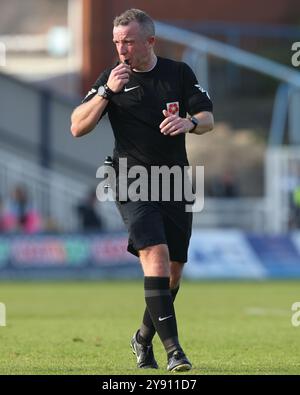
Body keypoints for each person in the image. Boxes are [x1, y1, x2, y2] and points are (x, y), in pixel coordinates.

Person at [71, 8, 214, 372]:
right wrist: (106, 92)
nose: (122, 49)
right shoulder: (111, 79)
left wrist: (190, 121)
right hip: (131, 179)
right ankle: (175, 352)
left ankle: (141, 339)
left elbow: (208, 118)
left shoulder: (179, 73)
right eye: (117, 42)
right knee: (157, 255)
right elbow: (77, 126)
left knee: (174, 271)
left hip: (174, 180)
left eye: (129, 41)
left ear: (149, 41)